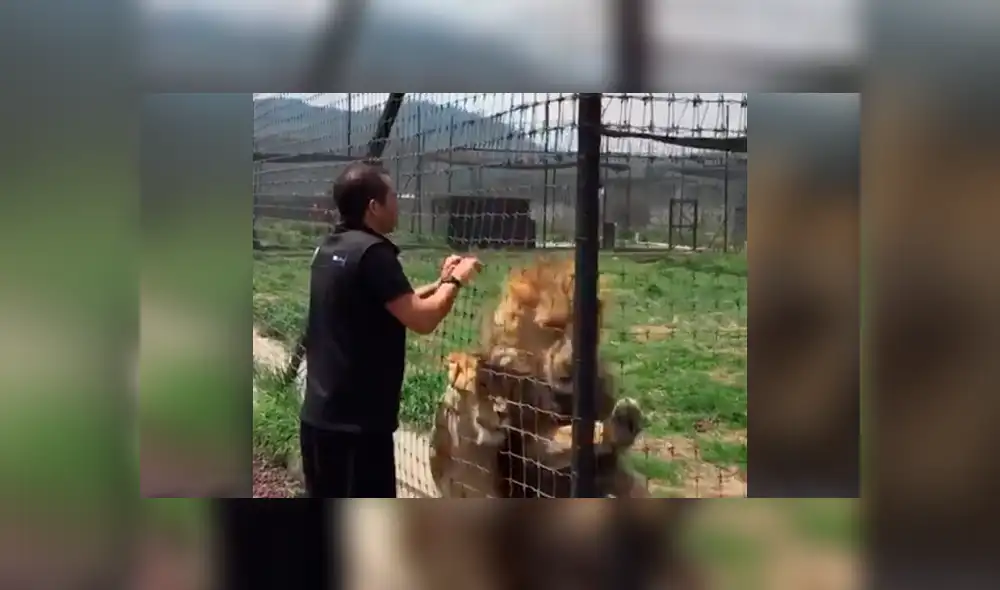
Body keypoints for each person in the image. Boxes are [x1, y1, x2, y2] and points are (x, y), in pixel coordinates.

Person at [300, 159, 481, 498]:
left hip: (318, 417)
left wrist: (440, 282)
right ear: (374, 206)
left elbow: (394, 301)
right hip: (358, 428)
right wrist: (457, 280)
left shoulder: (329, 248)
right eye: (393, 196)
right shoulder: (375, 255)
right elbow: (422, 319)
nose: (398, 203)